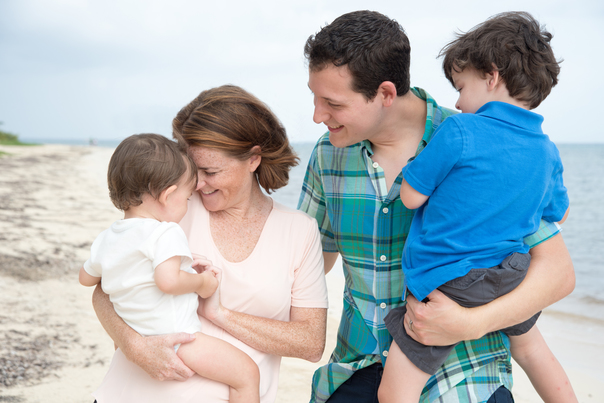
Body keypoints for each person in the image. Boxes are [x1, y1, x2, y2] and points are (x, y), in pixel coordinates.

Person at [298, 10, 575, 403]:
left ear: (386, 94)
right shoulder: (328, 154)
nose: (317, 116)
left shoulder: (475, 139)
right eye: (314, 98)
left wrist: (470, 322)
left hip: (464, 374)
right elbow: (307, 265)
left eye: (332, 103)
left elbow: (558, 274)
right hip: (355, 370)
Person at [90, 85, 329, 402]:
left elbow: (310, 343)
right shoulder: (171, 211)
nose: (198, 184)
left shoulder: (299, 230)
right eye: (192, 171)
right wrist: (135, 347)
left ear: (253, 159)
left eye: (210, 171)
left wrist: (220, 314)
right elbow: (103, 290)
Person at [79, 133, 260, 402]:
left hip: (138, 336)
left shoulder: (107, 238)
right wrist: (203, 283)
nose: (187, 205)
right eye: (187, 198)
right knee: (247, 374)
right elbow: (168, 281)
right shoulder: (165, 232)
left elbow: (86, 278)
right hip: (178, 339)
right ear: (168, 195)